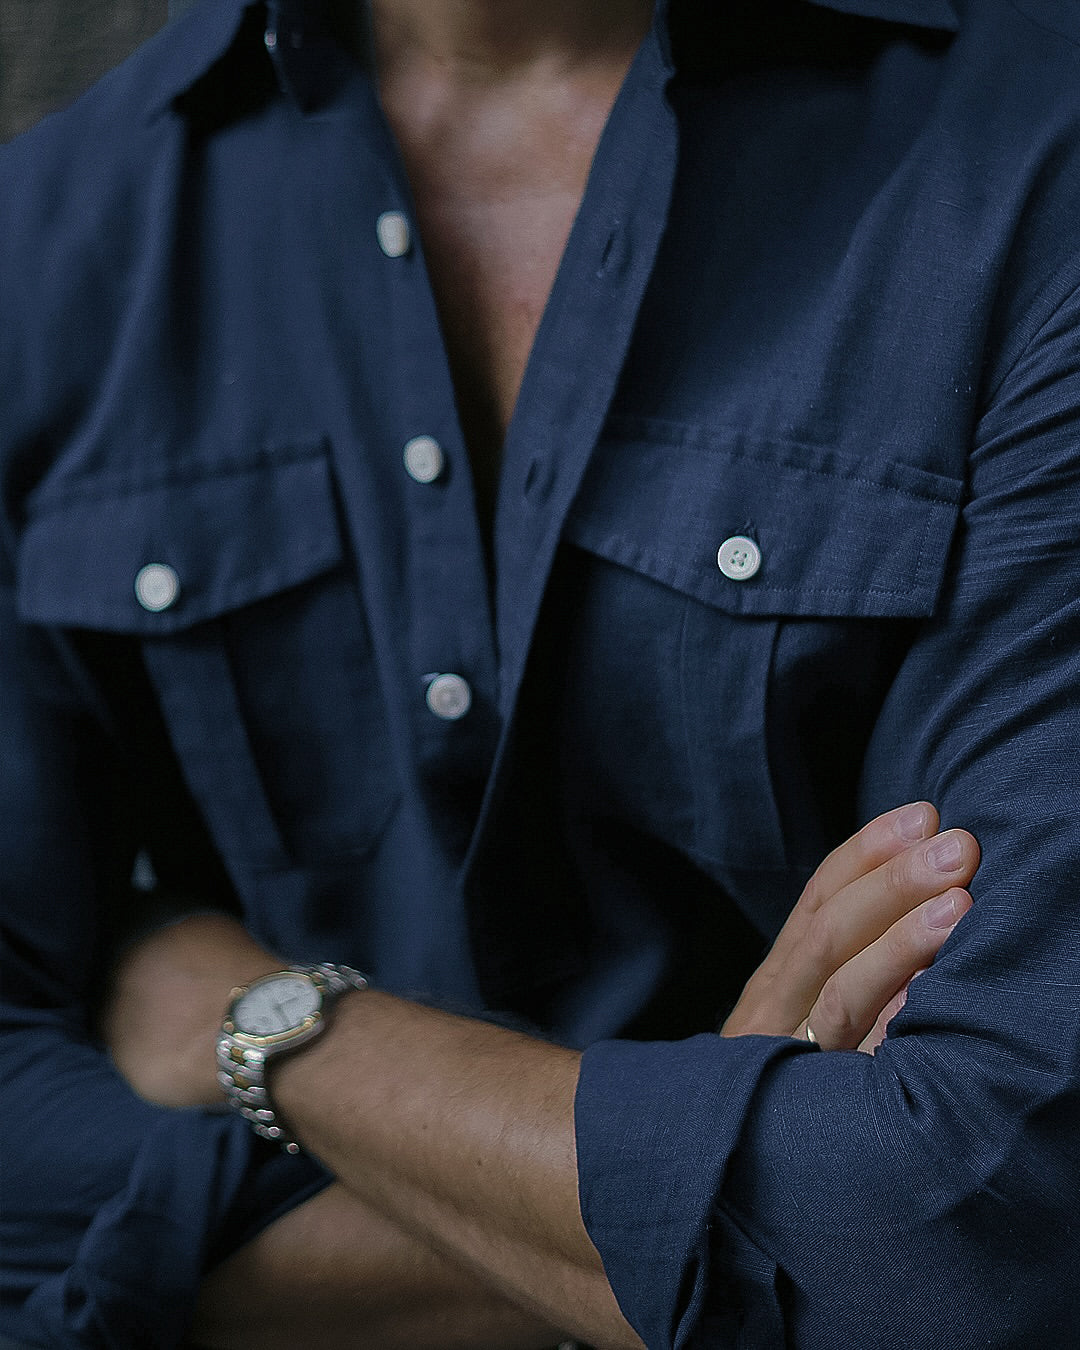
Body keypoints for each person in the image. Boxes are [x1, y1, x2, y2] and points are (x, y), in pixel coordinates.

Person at [1, 0, 1078, 1346]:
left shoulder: (1042, 155)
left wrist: (284, 1032)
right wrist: (709, 1188)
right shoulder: (41, 249)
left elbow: (984, 1225)